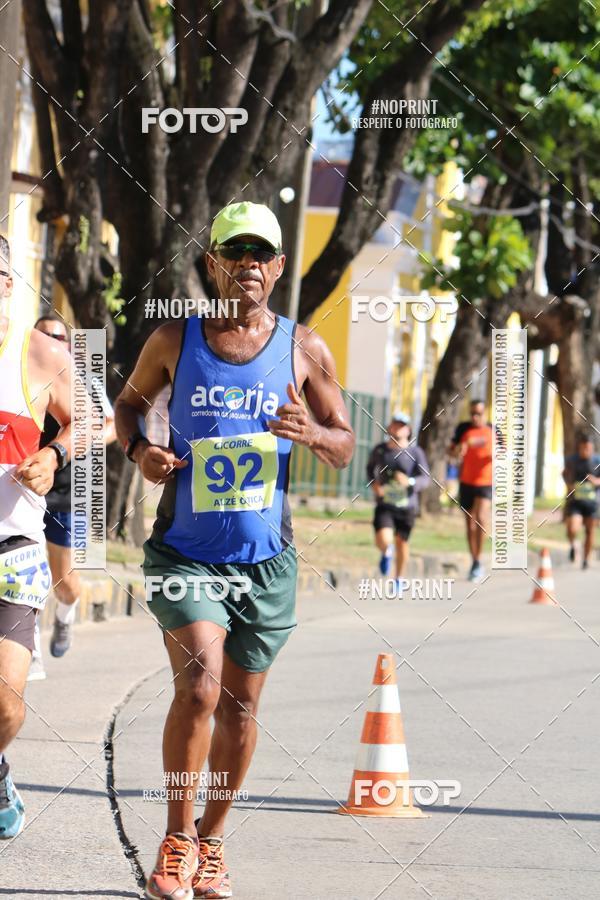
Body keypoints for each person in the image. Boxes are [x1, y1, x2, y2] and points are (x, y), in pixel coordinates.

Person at [115, 201, 355, 900]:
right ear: (213, 262)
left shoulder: (305, 348)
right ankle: (176, 838)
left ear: (277, 268)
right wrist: (140, 450)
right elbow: (128, 404)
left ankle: (213, 842)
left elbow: (345, 445)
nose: (248, 263)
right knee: (199, 686)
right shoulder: (173, 338)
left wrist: (310, 433)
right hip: (187, 552)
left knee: (241, 710)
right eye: (234, 251)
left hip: (266, 562)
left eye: (261, 253)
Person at [0, 235, 72, 838]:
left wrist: (53, 453)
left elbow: (94, 420)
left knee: (5, 703)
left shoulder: (40, 355)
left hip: (13, 547)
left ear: (7, 284)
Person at [30, 315, 115, 673]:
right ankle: (27, 646)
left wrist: (73, 445)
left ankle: (64, 614)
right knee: (23, 572)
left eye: (59, 336)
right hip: (25, 486)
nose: (52, 340)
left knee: (64, 582)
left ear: (68, 342)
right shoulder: (21, 369)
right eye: (44, 334)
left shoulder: (85, 380)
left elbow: (110, 426)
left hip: (69, 492)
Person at [366, 413, 430, 588]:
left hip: (407, 505)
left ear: (408, 430)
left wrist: (409, 482)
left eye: (402, 425)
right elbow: (370, 469)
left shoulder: (415, 453)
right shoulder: (380, 450)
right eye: (394, 424)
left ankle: (399, 579)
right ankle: (387, 551)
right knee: (383, 539)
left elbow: (425, 478)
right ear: (389, 427)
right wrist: (374, 485)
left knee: (402, 542)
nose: (397, 428)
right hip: (385, 504)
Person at [449, 399, 499, 581]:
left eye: (478, 413)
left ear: (485, 413)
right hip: (466, 481)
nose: (475, 417)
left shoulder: (494, 431)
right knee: (470, 523)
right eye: (472, 414)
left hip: (485, 482)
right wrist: (458, 452)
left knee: (482, 519)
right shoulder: (463, 429)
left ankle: (479, 558)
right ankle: (475, 560)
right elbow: (451, 451)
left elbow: (506, 453)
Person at [563, 434, 600, 569]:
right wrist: (569, 484)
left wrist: (596, 481)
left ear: (592, 449)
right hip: (576, 502)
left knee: (590, 531)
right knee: (572, 528)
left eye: (589, 449)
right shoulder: (572, 460)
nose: (586, 451)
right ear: (579, 448)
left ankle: (585, 559)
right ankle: (574, 545)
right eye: (584, 448)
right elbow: (564, 473)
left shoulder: (597, 461)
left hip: (592, 503)